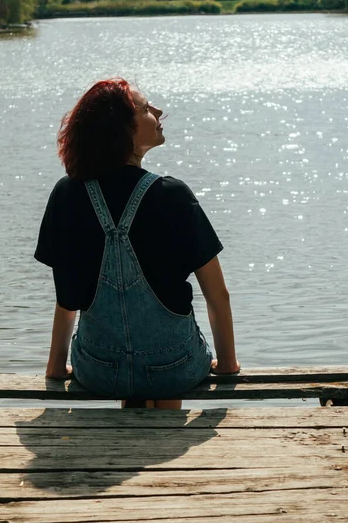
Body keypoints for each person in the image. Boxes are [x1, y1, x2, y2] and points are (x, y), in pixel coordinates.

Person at [35, 78, 239, 409]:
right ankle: (164, 441)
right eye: (146, 108)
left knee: (131, 371)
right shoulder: (173, 195)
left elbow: (67, 297)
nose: (158, 111)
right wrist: (227, 366)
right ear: (123, 130)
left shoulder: (67, 194)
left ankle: (135, 436)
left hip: (99, 371)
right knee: (165, 370)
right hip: (176, 366)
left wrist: (56, 368)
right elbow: (218, 295)